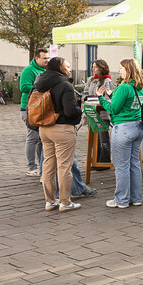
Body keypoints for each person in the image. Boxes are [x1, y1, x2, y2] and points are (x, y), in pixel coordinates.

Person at [34, 57, 82, 213]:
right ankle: (65, 202)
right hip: (62, 129)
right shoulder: (65, 85)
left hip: (44, 128)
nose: (69, 69)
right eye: (67, 67)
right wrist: (79, 110)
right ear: (60, 68)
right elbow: (69, 110)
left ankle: (50, 201)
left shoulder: (40, 82)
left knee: (47, 165)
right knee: (64, 167)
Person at [97, 59, 143, 209]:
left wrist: (101, 97)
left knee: (121, 166)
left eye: (122, 68)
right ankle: (136, 198)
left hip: (123, 129)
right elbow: (127, 103)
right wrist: (112, 95)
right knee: (134, 164)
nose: (119, 70)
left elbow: (113, 109)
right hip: (138, 127)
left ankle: (121, 200)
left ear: (129, 70)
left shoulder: (124, 87)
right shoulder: (140, 86)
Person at [20, 48, 49, 177]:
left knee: (41, 138)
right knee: (32, 137)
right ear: (36, 58)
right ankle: (31, 167)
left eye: (48, 58)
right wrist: (40, 87)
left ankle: (42, 165)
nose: (47, 60)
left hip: (41, 108)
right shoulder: (29, 70)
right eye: (44, 58)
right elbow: (24, 87)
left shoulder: (45, 70)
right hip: (29, 108)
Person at [84, 59, 115, 163]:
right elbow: (85, 92)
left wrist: (100, 98)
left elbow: (110, 98)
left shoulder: (108, 81)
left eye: (95, 67)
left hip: (102, 114)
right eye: (92, 67)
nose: (93, 69)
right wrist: (86, 98)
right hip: (92, 112)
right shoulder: (91, 80)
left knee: (103, 139)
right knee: (94, 140)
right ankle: (95, 161)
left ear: (102, 68)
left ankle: (104, 161)